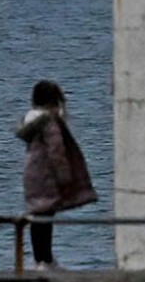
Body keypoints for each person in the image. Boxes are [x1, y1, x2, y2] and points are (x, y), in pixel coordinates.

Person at [16, 80, 97, 270]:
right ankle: (46, 260)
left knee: (37, 214)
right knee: (46, 216)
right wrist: (64, 176)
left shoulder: (30, 118)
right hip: (46, 173)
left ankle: (39, 260)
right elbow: (56, 150)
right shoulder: (49, 121)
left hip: (31, 171)